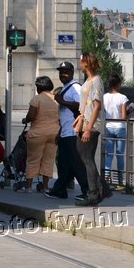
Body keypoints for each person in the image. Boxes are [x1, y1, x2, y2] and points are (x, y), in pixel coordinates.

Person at [46, 61, 90, 199]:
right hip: (66, 133)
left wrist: (62, 101)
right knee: (64, 164)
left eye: (65, 72)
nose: (63, 75)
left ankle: (89, 192)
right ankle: (59, 190)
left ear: (72, 73)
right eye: (61, 72)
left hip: (74, 132)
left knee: (77, 164)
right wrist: (60, 132)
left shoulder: (75, 87)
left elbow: (82, 105)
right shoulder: (67, 87)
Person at [75, 52, 111, 206]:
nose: (79, 64)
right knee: (84, 157)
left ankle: (93, 194)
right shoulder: (89, 80)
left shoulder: (96, 81)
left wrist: (88, 129)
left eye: (81, 61)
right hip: (85, 123)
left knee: (87, 159)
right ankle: (102, 189)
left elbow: (97, 106)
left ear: (86, 63)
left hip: (91, 125)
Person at [23, 75, 60, 193]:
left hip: (37, 134)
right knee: (48, 160)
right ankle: (45, 187)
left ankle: (28, 187)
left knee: (33, 159)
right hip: (54, 133)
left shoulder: (36, 99)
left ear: (39, 87)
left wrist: (25, 120)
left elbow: (31, 116)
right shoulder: (57, 99)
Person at [103, 73, 129, 187]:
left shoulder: (104, 97)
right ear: (118, 84)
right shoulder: (122, 97)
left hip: (108, 127)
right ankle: (120, 180)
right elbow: (123, 117)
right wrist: (129, 113)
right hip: (120, 127)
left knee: (109, 155)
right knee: (120, 155)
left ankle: (106, 178)